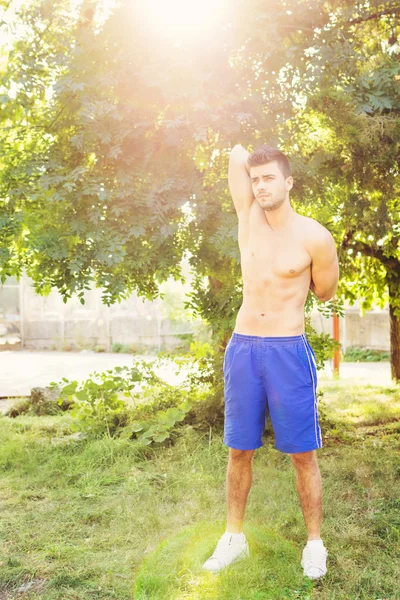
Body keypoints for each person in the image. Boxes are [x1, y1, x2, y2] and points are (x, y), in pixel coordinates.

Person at [202, 144, 339, 579]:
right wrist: (254, 160)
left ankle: (314, 544)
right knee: (238, 449)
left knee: (302, 454)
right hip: (243, 348)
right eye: (255, 179)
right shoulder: (247, 218)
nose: (260, 186)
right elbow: (236, 155)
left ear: (289, 182)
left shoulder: (315, 237)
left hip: (287, 351)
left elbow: (326, 291)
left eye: (269, 178)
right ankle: (234, 539)